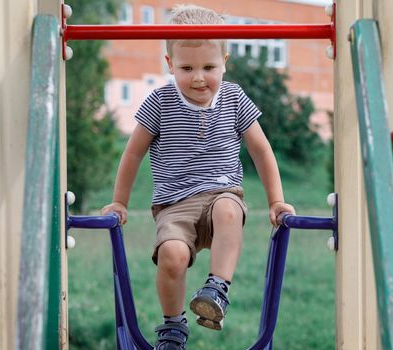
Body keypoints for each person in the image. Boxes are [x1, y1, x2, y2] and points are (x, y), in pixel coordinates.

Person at [101, 4, 295, 350]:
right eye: (187, 67)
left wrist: (276, 200)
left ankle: (216, 288)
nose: (199, 77)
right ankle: (173, 327)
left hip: (223, 192)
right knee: (172, 255)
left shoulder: (234, 98)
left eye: (209, 67)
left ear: (225, 62)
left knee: (228, 211)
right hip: (174, 205)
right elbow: (132, 153)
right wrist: (119, 201)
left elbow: (261, 150)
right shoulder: (159, 102)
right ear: (169, 63)